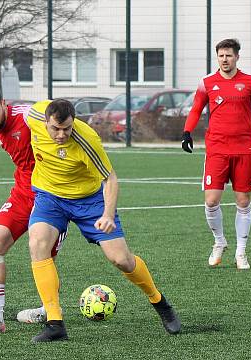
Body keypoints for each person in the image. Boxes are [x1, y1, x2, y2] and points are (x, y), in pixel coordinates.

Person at [26, 99, 181, 342]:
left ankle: (160, 302)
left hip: (90, 201)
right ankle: (55, 323)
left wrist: (108, 215)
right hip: (50, 196)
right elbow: (13, 118)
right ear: (45, 121)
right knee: (38, 244)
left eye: (67, 128)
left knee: (121, 260)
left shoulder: (86, 140)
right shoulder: (33, 115)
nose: (61, 134)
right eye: (56, 129)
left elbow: (109, 179)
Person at [0, 83, 64, 334]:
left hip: (51, 194)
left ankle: (49, 311)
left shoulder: (27, 116)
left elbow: (60, 123)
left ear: (4, 103)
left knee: (42, 254)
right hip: (23, 191)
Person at [182, 39, 251, 270]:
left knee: (243, 202)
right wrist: (187, 132)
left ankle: (241, 252)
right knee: (211, 201)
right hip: (216, 149)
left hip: (244, 149)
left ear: (237, 57)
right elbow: (196, 109)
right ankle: (219, 241)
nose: (225, 60)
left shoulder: (250, 82)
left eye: (229, 56)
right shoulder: (207, 83)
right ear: (217, 57)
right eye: (221, 56)